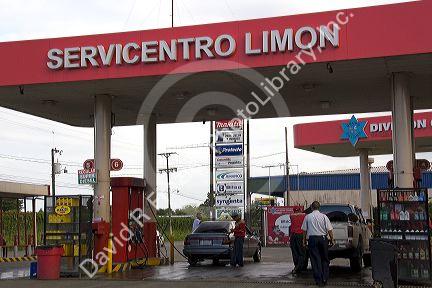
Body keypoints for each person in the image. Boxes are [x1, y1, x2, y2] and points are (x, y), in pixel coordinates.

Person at [301, 201, 335, 287]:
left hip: (312, 239)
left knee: (315, 260)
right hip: (323, 239)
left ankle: (318, 280)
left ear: (311, 207)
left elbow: (304, 230)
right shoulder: (324, 217)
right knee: (324, 259)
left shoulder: (307, 217)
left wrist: (304, 241)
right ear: (319, 208)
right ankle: (324, 278)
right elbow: (329, 229)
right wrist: (332, 239)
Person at [290, 207, 307, 274]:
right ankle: (298, 268)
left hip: (293, 236)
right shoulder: (304, 215)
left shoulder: (291, 215)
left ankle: (296, 266)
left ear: (294, 211)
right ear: (300, 210)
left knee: (295, 252)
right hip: (300, 235)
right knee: (302, 253)